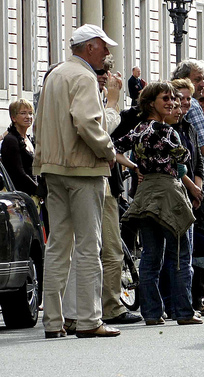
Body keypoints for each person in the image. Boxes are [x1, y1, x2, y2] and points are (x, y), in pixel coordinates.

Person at [33, 23, 121, 338]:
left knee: (57, 245)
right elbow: (86, 122)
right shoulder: (83, 77)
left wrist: (41, 163)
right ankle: (88, 320)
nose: (108, 52)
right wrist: (108, 150)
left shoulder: (55, 74)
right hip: (83, 168)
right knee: (88, 244)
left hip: (52, 168)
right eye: (104, 46)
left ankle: (53, 322)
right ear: (89, 48)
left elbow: (39, 123)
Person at [62, 55, 142, 334]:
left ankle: (73, 313)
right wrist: (113, 104)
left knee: (80, 249)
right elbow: (103, 133)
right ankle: (103, 308)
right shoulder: (90, 97)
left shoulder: (80, 92)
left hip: (97, 180)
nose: (106, 80)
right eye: (102, 75)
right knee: (98, 248)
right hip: (91, 177)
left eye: (106, 76)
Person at [114, 82, 202, 326]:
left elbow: (114, 149)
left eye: (173, 99)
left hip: (145, 195)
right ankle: (184, 312)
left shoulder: (139, 129)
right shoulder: (166, 130)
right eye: (166, 98)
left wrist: (135, 167)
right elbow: (183, 157)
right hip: (169, 193)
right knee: (180, 256)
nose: (172, 103)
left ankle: (152, 313)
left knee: (151, 257)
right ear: (151, 102)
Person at [170, 77, 204, 316]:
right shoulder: (170, 127)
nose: (185, 103)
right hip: (177, 193)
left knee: (197, 250)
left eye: (189, 98)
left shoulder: (190, 127)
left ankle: (197, 300)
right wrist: (192, 187)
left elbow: (200, 161)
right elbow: (176, 164)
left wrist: (198, 185)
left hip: (196, 192)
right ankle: (179, 304)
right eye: (181, 98)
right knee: (179, 254)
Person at [171, 60, 204, 159]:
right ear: (183, 80)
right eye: (198, 79)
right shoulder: (192, 104)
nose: (203, 84)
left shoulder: (164, 102)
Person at [1, 99, 38, 196]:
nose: (28, 117)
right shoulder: (10, 140)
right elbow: (18, 173)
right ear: (14, 118)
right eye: (23, 113)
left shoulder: (29, 139)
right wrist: (39, 191)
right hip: (21, 197)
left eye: (30, 113)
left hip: (34, 194)